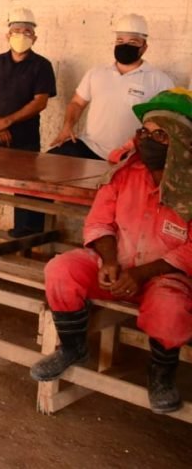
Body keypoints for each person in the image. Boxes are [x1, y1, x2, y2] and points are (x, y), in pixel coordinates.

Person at [31, 88, 192, 414]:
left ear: (181, 140)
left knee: (171, 308)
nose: (147, 140)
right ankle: (74, 348)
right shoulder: (124, 173)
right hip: (116, 267)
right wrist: (108, 261)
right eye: (144, 132)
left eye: (159, 134)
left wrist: (141, 273)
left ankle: (161, 374)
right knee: (61, 269)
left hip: (163, 277)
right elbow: (100, 221)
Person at [0, 10, 56, 244]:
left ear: (35, 38)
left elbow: (40, 101)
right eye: (17, 31)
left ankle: (21, 236)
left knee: (23, 187)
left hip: (25, 137)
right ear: (7, 35)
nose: (22, 35)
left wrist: (7, 121)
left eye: (27, 31)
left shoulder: (42, 66)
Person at [50, 14, 174, 160]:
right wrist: (67, 126)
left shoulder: (159, 80)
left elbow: (167, 120)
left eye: (133, 42)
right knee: (47, 165)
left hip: (131, 156)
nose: (124, 45)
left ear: (144, 47)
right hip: (90, 147)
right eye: (120, 40)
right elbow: (77, 103)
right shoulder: (96, 73)